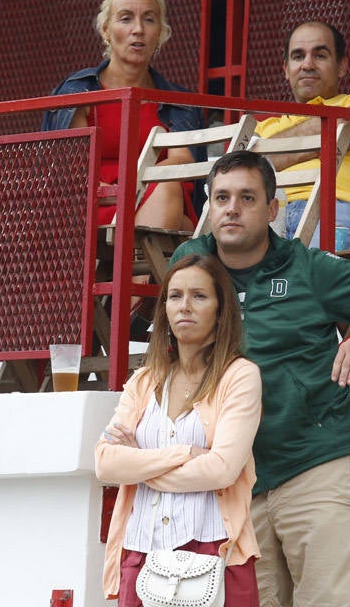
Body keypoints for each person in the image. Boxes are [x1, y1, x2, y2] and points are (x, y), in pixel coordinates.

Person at [171, 150, 350, 607]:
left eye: (247, 198)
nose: (232, 208)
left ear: (272, 210)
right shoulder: (193, 267)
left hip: (318, 465)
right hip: (236, 481)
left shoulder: (309, 269)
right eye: (221, 198)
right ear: (209, 207)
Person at [95, 253, 262, 606]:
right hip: (141, 551)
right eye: (175, 296)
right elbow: (106, 463)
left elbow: (222, 469)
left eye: (199, 296)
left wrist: (139, 462)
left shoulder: (240, 376)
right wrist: (185, 454)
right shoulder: (144, 381)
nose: (185, 306)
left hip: (215, 549)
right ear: (164, 310)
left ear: (221, 309)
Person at [40, 0, 202, 231]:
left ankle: (132, 271)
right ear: (105, 30)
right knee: (179, 223)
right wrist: (120, 193)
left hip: (152, 198)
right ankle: (137, 271)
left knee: (169, 188)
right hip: (93, 205)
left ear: (160, 33)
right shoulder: (79, 90)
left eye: (149, 20)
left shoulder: (176, 100)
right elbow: (70, 170)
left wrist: (132, 189)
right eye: (125, 19)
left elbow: (182, 162)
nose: (138, 29)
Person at [254, 21, 350, 250]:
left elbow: (344, 124)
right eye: (298, 57)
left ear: (342, 66)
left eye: (320, 55)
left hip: (338, 210)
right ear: (286, 70)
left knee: (309, 276)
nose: (308, 65)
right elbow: (243, 169)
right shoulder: (265, 127)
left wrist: (267, 155)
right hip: (271, 215)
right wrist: (328, 140)